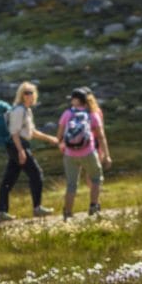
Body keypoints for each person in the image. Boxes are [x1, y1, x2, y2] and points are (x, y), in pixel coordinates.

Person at [0, 82, 59, 224]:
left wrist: (49, 138)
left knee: (8, 180)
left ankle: (0, 212)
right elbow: (14, 133)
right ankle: (37, 208)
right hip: (18, 145)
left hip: (18, 146)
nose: (29, 95)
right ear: (21, 95)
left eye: (31, 92)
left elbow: (32, 132)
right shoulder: (18, 111)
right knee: (36, 174)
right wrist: (21, 151)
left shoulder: (27, 111)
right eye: (26, 92)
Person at [57, 87, 111, 221]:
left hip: (70, 154)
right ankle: (94, 207)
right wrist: (106, 154)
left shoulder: (67, 114)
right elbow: (101, 136)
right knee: (96, 178)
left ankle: (68, 213)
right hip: (88, 152)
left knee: (71, 185)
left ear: (74, 101)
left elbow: (59, 136)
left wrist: (62, 146)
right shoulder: (92, 114)